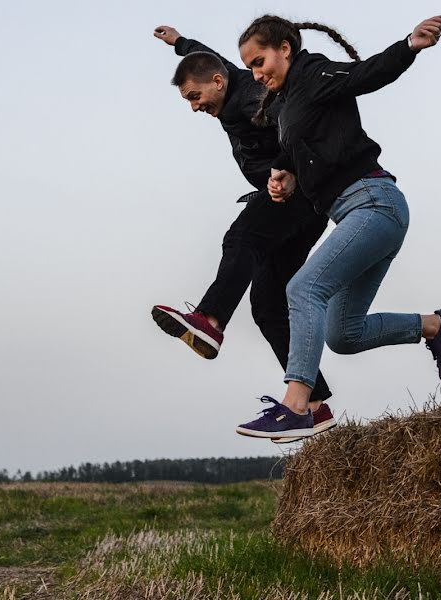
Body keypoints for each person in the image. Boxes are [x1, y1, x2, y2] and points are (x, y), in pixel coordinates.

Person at [233, 15, 441, 440]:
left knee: (302, 289)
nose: (256, 73)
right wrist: (284, 174)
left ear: (285, 48)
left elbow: (365, 74)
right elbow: (308, 150)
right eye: (249, 68)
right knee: (344, 334)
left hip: (374, 204)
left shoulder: (315, 72)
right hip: (362, 213)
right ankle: (433, 325)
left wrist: (409, 44)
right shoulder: (286, 104)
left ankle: (297, 406)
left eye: (259, 61)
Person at [151, 25, 337, 441]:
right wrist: (180, 43)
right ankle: (316, 404)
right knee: (269, 306)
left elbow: (291, 115)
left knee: (241, 239)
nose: (194, 108)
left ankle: (211, 319)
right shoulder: (229, 78)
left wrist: (288, 169)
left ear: (217, 83)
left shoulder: (252, 96)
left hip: (293, 194)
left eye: (194, 97)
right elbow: (206, 56)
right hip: (303, 208)